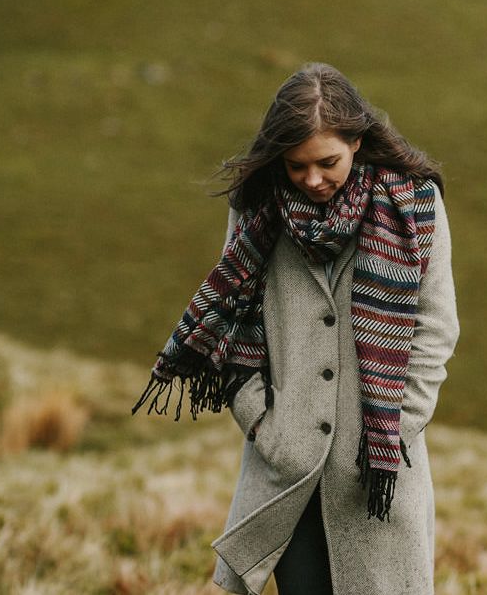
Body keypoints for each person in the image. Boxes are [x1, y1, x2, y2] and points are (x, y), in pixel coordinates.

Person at [133, 63, 459, 595]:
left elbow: (436, 329)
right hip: (287, 474)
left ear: (356, 139)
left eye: (327, 162)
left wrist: (399, 427)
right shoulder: (257, 207)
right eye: (296, 166)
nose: (312, 179)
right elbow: (233, 322)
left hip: (374, 472)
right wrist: (264, 426)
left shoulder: (414, 206)